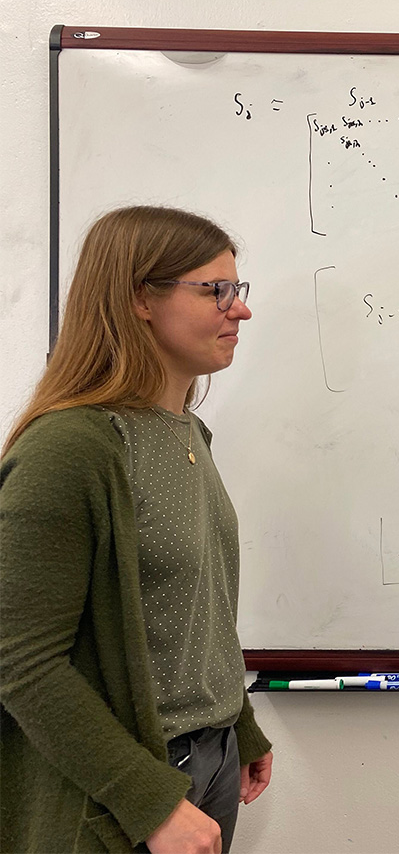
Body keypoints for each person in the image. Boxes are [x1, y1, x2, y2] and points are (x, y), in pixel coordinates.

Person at [1, 205, 273, 853]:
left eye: (237, 290)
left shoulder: (188, 435)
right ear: (138, 300)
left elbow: (192, 608)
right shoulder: (71, 449)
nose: (240, 310)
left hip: (208, 761)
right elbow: (21, 662)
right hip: (122, 786)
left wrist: (241, 724)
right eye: (216, 291)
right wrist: (147, 802)